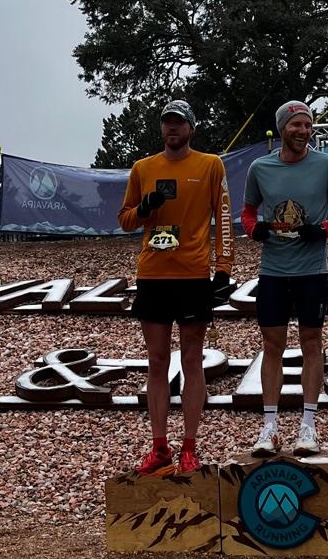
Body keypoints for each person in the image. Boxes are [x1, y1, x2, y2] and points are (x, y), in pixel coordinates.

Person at [118, 99, 234, 476]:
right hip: (153, 274)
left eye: (179, 123)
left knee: (192, 360)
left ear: (191, 128)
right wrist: (144, 210)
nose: (172, 128)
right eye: (167, 122)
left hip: (193, 275)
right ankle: (159, 447)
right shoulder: (143, 168)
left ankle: (189, 447)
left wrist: (224, 268)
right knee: (156, 361)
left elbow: (224, 216)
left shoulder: (210, 165)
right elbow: (125, 220)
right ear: (161, 129)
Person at [241, 100, 328, 458]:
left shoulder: (327, 164)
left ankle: (308, 426)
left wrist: (324, 230)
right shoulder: (260, 168)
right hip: (273, 271)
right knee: (272, 345)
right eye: (296, 125)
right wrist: (254, 229)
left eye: (307, 125)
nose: (303, 131)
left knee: (311, 343)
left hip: (312, 271)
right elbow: (247, 211)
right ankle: (269, 427)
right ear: (282, 128)